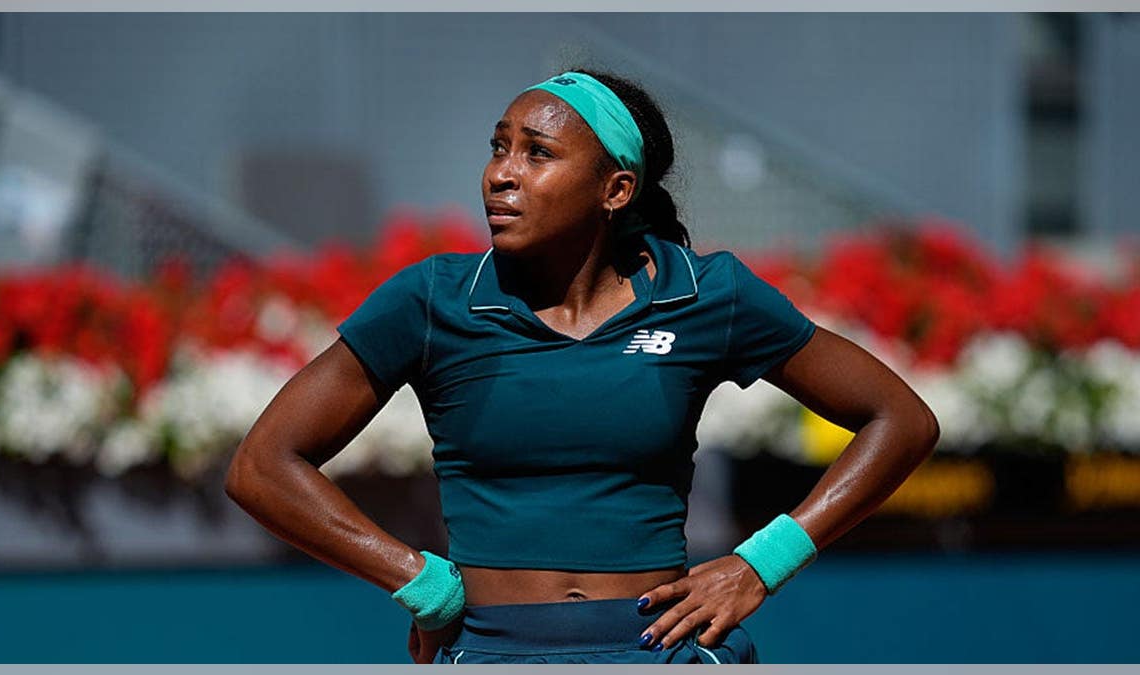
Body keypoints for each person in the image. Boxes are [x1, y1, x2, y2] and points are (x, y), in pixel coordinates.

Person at [225, 68, 940, 664]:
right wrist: (423, 584)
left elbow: (901, 420)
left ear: (615, 190)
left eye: (537, 154)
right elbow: (262, 467)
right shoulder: (431, 299)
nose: (501, 174)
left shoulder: (707, 292)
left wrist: (761, 564)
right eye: (498, 147)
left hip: (662, 651)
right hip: (491, 652)